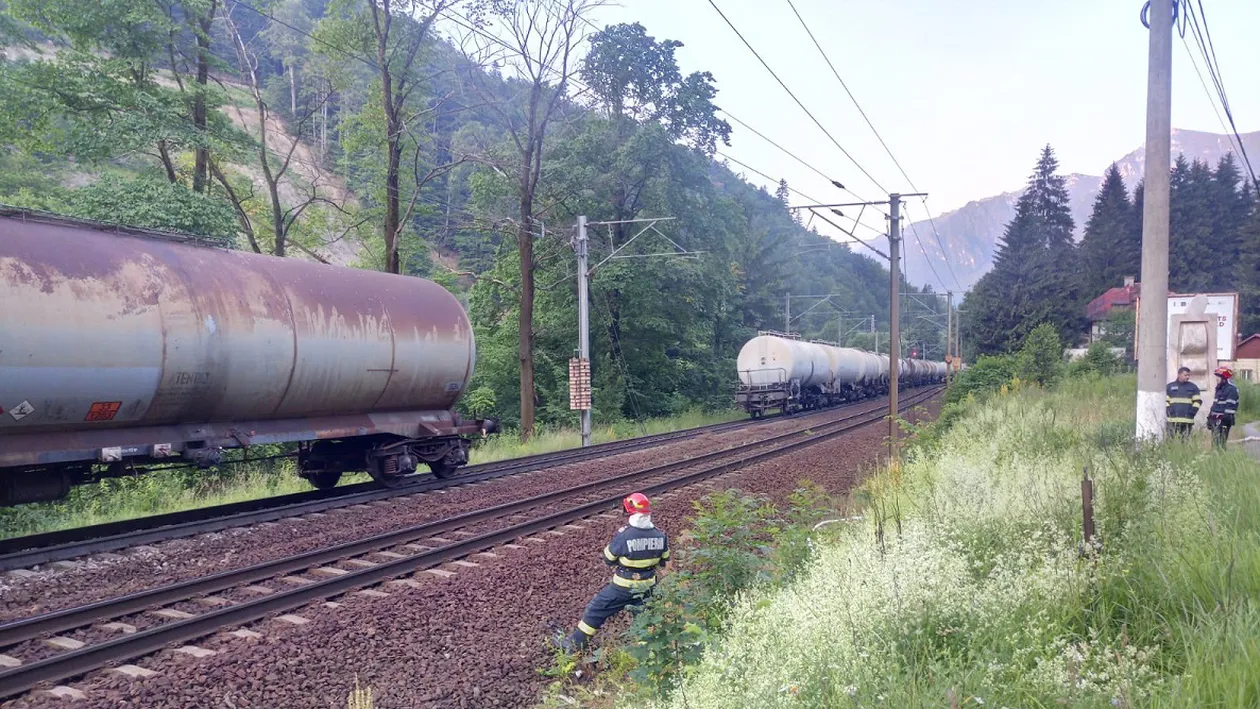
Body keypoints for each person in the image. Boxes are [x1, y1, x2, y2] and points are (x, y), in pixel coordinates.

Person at [556, 492, 669, 653]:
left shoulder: (624, 535)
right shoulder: (660, 535)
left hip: (621, 587)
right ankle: (647, 655)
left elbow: (608, 558)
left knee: (596, 610)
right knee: (644, 620)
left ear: (631, 512)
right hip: (648, 587)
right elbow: (664, 560)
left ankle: (575, 644)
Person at [1165, 366, 1202, 439]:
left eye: (1189, 375)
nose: (1187, 377)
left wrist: (1192, 412)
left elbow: (1197, 401)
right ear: (1179, 375)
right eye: (1185, 375)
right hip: (1172, 420)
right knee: (1171, 441)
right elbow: (1165, 401)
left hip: (1187, 420)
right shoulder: (1169, 387)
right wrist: (1169, 411)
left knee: (1184, 441)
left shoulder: (1193, 387)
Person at [1207, 366, 1239, 449]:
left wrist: (1223, 420)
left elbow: (1230, 408)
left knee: (1220, 443)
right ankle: (1215, 459)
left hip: (1223, 420)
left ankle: (1221, 458)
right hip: (1215, 420)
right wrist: (1209, 417)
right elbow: (1215, 405)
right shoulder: (1219, 388)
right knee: (1214, 443)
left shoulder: (1231, 389)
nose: (1216, 379)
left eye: (1218, 377)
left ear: (1224, 378)